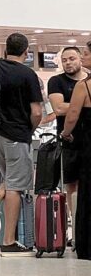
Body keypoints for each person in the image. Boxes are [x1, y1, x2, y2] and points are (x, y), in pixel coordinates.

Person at [0, 33, 43, 257]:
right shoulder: (27, 74)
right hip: (16, 134)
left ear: (6, 49)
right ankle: (8, 241)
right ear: (26, 51)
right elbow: (36, 111)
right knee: (17, 186)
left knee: (10, 178)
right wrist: (30, 130)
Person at [48, 47, 88, 230]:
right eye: (64, 60)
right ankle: (74, 223)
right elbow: (58, 109)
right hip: (69, 139)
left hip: (86, 138)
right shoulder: (56, 82)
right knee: (71, 183)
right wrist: (82, 102)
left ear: (80, 58)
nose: (68, 63)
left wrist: (73, 105)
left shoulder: (87, 80)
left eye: (72, 58)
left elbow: (67, 108)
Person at [58, 40, 91, 260]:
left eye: (87, 54)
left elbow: (72, 115)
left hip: (88, 143)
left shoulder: (84, 86)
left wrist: (66, 133)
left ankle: (86, 244)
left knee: (87, 193)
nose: (85, 57)